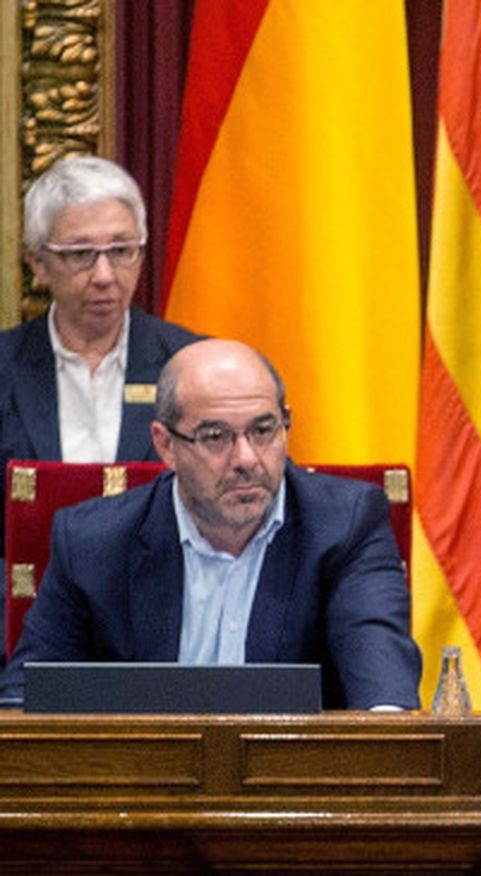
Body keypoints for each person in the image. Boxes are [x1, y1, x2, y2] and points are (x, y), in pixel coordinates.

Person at [0, 339, 421, 709]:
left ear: (286, 424)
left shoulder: (345, 525)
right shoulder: (94, 543)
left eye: (263, 430)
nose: (246, 459)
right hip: (141, 789)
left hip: (293, 788)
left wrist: (387, 722)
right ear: (165, 444)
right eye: (216, 437)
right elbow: (27, 699)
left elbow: (381, 681)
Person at [0, 156, 201, 554]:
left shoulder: (193, 365)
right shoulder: (6, 366)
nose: (105, 275)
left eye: (121, 250)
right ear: (38, 264)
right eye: (80, 254)